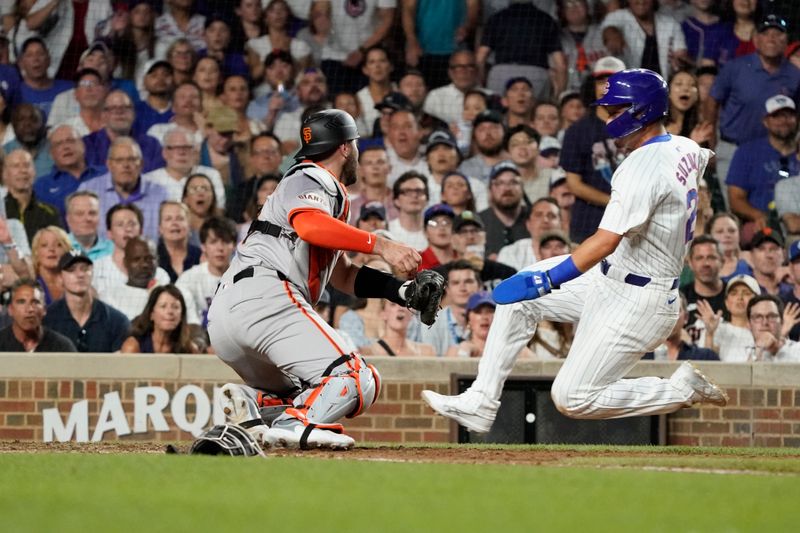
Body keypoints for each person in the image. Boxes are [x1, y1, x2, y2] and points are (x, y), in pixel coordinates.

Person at [422, 68, 727, 434]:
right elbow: (703, 156)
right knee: (517, 298)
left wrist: (549, 279)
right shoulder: (685, 146)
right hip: (613, 277)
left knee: (572, 397)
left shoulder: (641, 167)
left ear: (642, 111)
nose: (609, 118)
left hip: (639, 299)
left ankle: (677, 389)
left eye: (616, 110)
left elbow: (604, 240)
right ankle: (481, 402)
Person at [208, 109, 431, 450]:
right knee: (357, 378)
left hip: (231, 313)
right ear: (345, 148)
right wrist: (381, 245)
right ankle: (298, 425)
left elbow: (340, 274)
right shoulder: (311, 176)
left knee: (308, 390)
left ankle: (251, 404)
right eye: (354, 145)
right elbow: (309, 225)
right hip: (268, 298)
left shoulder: (315, 189)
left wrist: (398, 290)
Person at [706, 13, 800, 194]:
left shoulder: (794, 75)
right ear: (756, 40)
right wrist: (711, 142)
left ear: (786, 40)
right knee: (733, 211)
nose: (772, 38)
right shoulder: (734, 68)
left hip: (774, 154)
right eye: (766, 33)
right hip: (732, 148)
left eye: (778, 33)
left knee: (769, 208)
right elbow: (712, 101)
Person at [559, 56, 626, 244]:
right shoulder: (577, 131)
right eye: (601, 82)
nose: (606, 87)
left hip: (634, 226)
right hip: (590, 226)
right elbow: (574, 184)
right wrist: (615, 203)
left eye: (613, 82)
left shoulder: (640, 127)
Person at [726, 95, 799, 237]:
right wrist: (758, 215)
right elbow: (735, 198)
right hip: (762, 223)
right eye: (777, 116)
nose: (784, 121)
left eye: (789, 116)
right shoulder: (747, 152)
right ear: (766, 121)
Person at [78, 136, 170, 241]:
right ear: (109, 164)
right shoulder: (88, 190)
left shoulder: (160, 193)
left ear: (141, 164)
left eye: (131, 159)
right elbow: (79, 234)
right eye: (119, 160)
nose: (125, 165)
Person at [43, 250, 130, 352]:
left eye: (84, 269)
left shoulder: (116, 322)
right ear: (60, 277)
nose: (80, 275)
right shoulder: (47, 320)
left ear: (92, 273)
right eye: (71, 270)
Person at [478, 0, 567, 99]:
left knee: (498, 112)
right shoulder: (546, 19)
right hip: (536, 75)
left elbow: (480, 58)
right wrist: (560, 94)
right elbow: (561, 64)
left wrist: (481, 86)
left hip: (501, 74)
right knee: (534, 113)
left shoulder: (496, 18)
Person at [92, 203, 170, 296]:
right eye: (120, 224)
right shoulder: (96, 270)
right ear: (109, 233)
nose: (127, 229)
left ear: (141, 230)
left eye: (132, 224)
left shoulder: (160, 275)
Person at [82, 90, 166, 173]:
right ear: (103, 115)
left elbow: (157, 179)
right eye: (113, 108)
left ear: (134, 114)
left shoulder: (151, 145)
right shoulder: (87, 145)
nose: (119, 112)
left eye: (125, 107)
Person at [176, 216, 236, 327]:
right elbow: (189, 324)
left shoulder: (246, 278)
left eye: (226, 242)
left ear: (234, 246)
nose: (220, 248)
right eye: (213, 242)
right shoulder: (188, 279)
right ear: (203, 246)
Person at [600, 0, 688, 76]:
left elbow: (680, 53)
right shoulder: (617, 17)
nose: (641, 1)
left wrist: (680, 61)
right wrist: (612, 34)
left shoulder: (670, 23)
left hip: (661, 86)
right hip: (628, 87)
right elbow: (608, 29)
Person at [143, 127, 226, 207]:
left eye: (187, 147)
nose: (181, 153)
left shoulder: (211, 175)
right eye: (175, 148)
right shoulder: (149, 180)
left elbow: (218, 210)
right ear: (164, 153)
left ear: (195, 152)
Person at [447, 290, 534, 359]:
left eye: (490, 311)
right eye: (478, 312)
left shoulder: (516, 350)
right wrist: (464, 354)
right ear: (469, 320)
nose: (484, 317)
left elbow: (541, 374)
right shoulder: (455, 351)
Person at [421, 259, 481, 356]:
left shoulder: (491, 320)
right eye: (456, 283)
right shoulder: (431, 323)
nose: (462, 288)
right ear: (447, 290)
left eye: (468, 281)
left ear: (479, 286)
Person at [0, 279, 76, 353]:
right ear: (10, 309)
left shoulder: (62, 347)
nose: (29, 309)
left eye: (35, 302)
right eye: (21, 302)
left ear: (44, 310)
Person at [121, 284, 200, 354]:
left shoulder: (189, 350)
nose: (170, 312)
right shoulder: (133, 346)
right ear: (151, 314)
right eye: (163, 306)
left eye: (175, 307)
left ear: (181, 316)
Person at [101, 236, 166, 321]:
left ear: (157, 261)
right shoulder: (109, 297)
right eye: (136, 259)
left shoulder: (168, 294)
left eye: (149, 259)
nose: (144, 265)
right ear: (125, 263)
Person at [3, 149, 61, 242]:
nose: (22, 170)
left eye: (27, 165)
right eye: (16, 166)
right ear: (5, 174)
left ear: (34, 172)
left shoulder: (50, 213)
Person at [697, 274, 758, 362]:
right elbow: (705, 366)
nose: (739, 298)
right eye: (734, 293)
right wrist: (710, 334)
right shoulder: (717, 329)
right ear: (726, 303)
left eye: (746, 293)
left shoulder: (764, 330)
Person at [644, 293, 720, 361]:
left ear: (686, 317)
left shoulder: (703, 356)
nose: (669, 318)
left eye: (675, 311)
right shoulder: (639, 356)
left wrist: (709, 334)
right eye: (664, 311)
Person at [681, 234, 726, 345]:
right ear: (690, 263)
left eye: (711, 257)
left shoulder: (734, 296)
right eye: (699, 258)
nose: (705, 264)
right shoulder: (679, 298)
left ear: (722, 261)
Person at [478, 161, 530, 258]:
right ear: (490, 190)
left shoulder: (535, 218)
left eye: (513, 182)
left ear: (522, 188)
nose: (507, 188)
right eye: (499, 183)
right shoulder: (478, 222)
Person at [496, 197, 561, 271]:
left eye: (552, 216)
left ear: (561, 224)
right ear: (528, 224)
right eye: (538, 215)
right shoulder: (510, 253)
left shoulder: (574, 253)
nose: (545, 220)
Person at [423, 50, 480, 127]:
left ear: (476, 71)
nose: (464, 72)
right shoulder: (436, 96)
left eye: (469, 66)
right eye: (458, 67)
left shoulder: (490, 96)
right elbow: (427, 127)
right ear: (450, 73)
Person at [2, 104, 53, 178]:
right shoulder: (4, 153)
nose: (27, 124)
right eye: (21, 120)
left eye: (34, 119)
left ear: (44, 125)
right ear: (13, 126)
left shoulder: (55, 149)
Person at [458, 110, 508, 184]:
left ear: (504, 131)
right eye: (482, 129)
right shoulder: (465, 168)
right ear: (474, 135)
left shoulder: (518, 163)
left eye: (494, 128)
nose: (488, 133)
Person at [745, 294, 800, 362]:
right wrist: (758, 348)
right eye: (758, 317)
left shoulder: (797, 350)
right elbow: (744, 372)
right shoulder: (740, 352)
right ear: (749, 324)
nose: (765, 322)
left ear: (782, 321)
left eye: (771, 316)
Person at [157, 201, 201, 283]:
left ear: (189, 226)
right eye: (168, 219)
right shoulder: (151, 257)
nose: (174, 223)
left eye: (180, 218)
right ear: (160, 228)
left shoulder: (200, 255)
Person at [64, 191, 113, 261]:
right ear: (68, 219)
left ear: (99, 217)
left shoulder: (114, 249)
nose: (87, 219)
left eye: (92, 213)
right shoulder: (59, 248)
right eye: (79, 214)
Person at [30, 226, 72, 306]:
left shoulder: (76, 283)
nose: (51, 249)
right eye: (44, 245)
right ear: (36, 252)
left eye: (59, 245)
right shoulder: (30, 283)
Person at [387, 171, 430, 250]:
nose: (414, 195)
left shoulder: (436, 232)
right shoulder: (387, 231)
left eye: (419, 191)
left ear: (427, 199)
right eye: (407, 191)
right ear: (396, 200)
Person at [705, 211, 753, 281]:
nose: (727, 235)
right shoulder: (703, 266)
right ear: (709, 236)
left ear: (739, 234)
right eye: (720, 231)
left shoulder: (751, 259)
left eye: (732, 231)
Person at [182, 173, 223, 245]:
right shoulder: (178, 230)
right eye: (194, 189)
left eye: (205, 189)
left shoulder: (224, 228)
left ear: (213, 197)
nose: (200, 193)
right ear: (185, 198)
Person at [748, 228, 791, 297]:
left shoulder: (792, 291)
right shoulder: (744, 288)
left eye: (773, 249)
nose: (768, 255)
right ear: (751, 255)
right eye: (761, 249)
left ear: (784, 255)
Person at [419, 203, 457, 270]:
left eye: (447, 222)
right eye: (434, 223)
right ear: (425, 231)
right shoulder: (417, 263)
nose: (442, 227)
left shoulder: (463, 258)